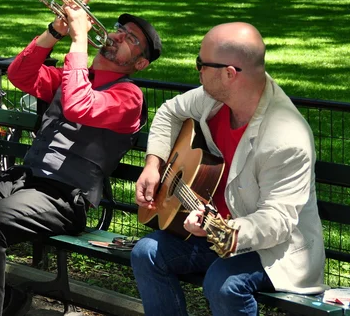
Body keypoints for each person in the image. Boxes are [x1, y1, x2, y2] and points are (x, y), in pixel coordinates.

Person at [0, 0, 162, 316]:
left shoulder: (129, 96)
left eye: (131, 39)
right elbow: (19, 75)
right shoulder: (72, 78)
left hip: (66, 197)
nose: (118, 35)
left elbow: (79, 105)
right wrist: (55, 31)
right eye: (119, 29)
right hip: (27, 181)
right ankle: (5, 301)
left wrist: (79, 40)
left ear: (139, 62)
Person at [132, 22, 328, 316]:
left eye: (201, 64)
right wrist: (154, 164)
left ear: (229, 73)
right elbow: (168, 112)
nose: (197, 70)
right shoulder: (213, 98)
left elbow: (278, 221)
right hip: (211, 235)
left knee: (223, 283)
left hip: (271, 249)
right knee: (146, 252)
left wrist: (224, 231)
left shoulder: (286, 137)